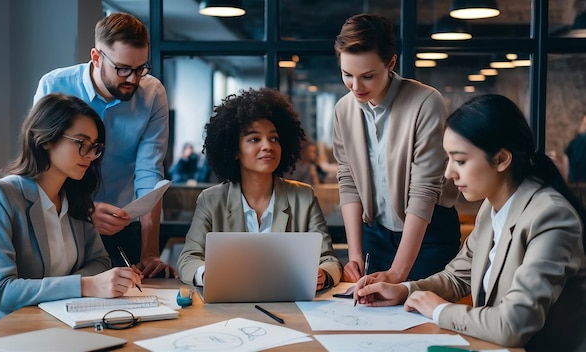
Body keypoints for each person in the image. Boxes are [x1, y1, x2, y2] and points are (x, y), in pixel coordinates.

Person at [354, 94, 586, 351]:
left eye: (460, 161)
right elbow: (456, 277)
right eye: (449, 159)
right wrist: (405, 291)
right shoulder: (491, 208)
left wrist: (439, 310)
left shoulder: (551, 216)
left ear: (501, 159)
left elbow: (514, 325)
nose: (448, 173)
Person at [0, 94, 144, 334]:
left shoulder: (76, 200)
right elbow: (1, 291)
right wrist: (85, 285)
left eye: (95, 147)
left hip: (51, 326)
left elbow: (100, 262)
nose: (90, 155)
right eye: (81, 143)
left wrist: (82, 285)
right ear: (45, 138)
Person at [33, 13, 176, 278]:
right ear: (97, 57)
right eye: (123, 69)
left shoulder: (153, 93)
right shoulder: (54, 86)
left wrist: (150, 253)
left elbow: (149, 173)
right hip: (66, 221)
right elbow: (42, 167)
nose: (133, 79)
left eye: (141, 68)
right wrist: (85, 210)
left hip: (125, 224)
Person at [332, 14, 461, 283]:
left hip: (427, 233)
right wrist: (354, 255)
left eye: (368, 76)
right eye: (347, 75)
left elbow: (425, 189)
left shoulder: (425, 102)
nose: (356, 87)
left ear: (391, 63)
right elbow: (348, 181)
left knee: (420, 319)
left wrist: (397, 273)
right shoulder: (343, 109)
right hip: (374, 234)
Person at [177, 87, 343, 290]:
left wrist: (323, 275)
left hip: (290, 306)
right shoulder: (211, 200)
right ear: (235, 150)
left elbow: (329, 260)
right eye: (254, 139)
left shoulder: (304, 197)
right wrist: (208, 274)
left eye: (274, 138)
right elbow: (188, 259)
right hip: (229, 306)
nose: (268, 146)